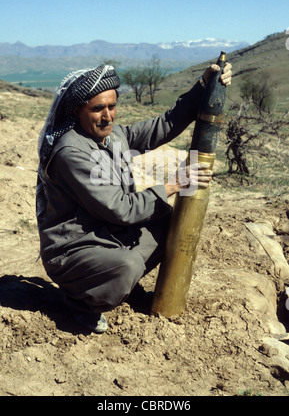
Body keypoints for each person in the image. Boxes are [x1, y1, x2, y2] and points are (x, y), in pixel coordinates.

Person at [36, 62, 232, 333]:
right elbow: (121, 209)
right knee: (127, 266)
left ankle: (120, 289)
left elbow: (163, 125)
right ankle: (81, 302)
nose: (107, 116)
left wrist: (204, 85)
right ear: (76, 110)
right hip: (74, 251)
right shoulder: (71, 153)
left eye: (112, 106)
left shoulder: (113, 135)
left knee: (167, 224)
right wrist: (173, 185)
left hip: (108, 236)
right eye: (97, 109)